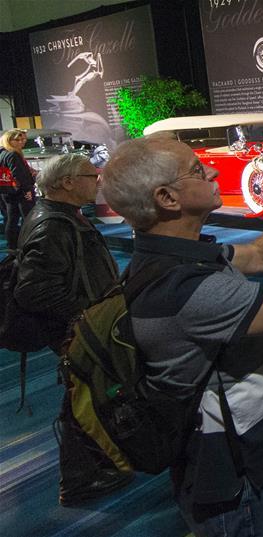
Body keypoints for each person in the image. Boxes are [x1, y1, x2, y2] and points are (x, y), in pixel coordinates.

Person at [100, 133, 263, 536]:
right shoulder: (186, 290)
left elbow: (260, 255)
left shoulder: (170, 256)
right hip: (232, 477)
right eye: (196, 170)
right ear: (168, 198)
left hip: (243, 459)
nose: (213, 169)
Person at [13, 153, 132, 505]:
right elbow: (32, 289)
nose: (97, 181)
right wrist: (84, 316)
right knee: (81, 399)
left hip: (81, 328)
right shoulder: (53, 225)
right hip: (76, 330)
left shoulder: (60, 218)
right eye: (90, 175)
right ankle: (80, 479)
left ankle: (95, 467)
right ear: (66, 182)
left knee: (87, 396)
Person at [0, 129, 36, 249]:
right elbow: (19, 175)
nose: (22, 142)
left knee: (12, 219)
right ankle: (28, 244)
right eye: (18, 139)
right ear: (9, 140)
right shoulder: (13, 154)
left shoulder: (3, 153)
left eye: (24, 139)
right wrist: (27, 191)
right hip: (20, 193)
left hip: (8, 192)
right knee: (27, 219)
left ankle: (12, 245)